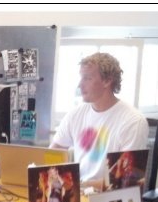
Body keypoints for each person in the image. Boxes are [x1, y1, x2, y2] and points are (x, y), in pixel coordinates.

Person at [51, 52, 148, 187]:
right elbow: (54, 153)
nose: (80, 85)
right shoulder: (75, 114)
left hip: (110, 195)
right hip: (80, 190)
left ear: (107, 81)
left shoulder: (133, 121)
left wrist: (78, 186)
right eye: (81, 77)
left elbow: (124, 181)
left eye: (87, 78)